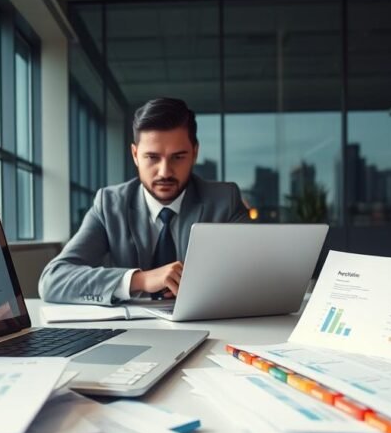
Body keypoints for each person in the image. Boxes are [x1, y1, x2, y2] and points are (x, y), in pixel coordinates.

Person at [39, 97, 248, 305]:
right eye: (152, 157)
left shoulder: (225, 201)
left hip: (205, 320)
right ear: (135, 154)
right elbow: (53, 279)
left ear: (194, 153)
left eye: (178, 157)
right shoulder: (109, 205)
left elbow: (256, 275)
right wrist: (141, 280)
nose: (165, 172)